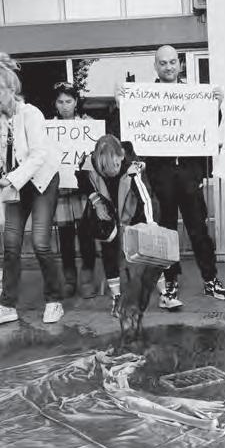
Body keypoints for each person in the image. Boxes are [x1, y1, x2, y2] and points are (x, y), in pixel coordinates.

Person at [117, 45, 225, 310]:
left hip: (189, 175)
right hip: (161, 176)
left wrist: (216, 106)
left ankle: (210, 279)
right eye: (163, 63)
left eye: (172, 62)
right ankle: (170, 283)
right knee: (165, 233)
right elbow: (129, 132)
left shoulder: (194, 95)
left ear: (180, 64)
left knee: (199, 231)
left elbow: (208, 129)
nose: (168, 67)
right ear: (155, 67)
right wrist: (121, 104)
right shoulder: (144, 98)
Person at [0, 52, 63, 325]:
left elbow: (38, 156)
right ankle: (7, 305)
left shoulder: (31, 114)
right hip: (15, 183)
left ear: (11, 90)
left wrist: (9, 180)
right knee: (10, 245)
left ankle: (54, 300)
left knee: (40, 243)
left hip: (42, 181)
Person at [83, 135, 161, 328]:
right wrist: (95, 201)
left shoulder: (132, 167)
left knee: (143, 250)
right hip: (108, 213)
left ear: (122, 156)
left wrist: (151, 223)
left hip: (133, 212)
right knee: (109, 249)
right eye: (105, 167)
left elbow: (145, 197)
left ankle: (162, 289)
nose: (113, 170)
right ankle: (116, 297)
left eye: (116, 165)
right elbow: (82, 180)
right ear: (98, 161)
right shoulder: (88, 164)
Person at [51, 82, 97, 298]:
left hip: (82, 189)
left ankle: (88, 277)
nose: (65, 106)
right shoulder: (49, 128)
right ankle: (69, 278)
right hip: (61, 190)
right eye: (60, 101)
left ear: (76, 102)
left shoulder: (86, 125)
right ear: (55, 104)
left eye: (68, 101)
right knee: (65, 237)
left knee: (86, 235)